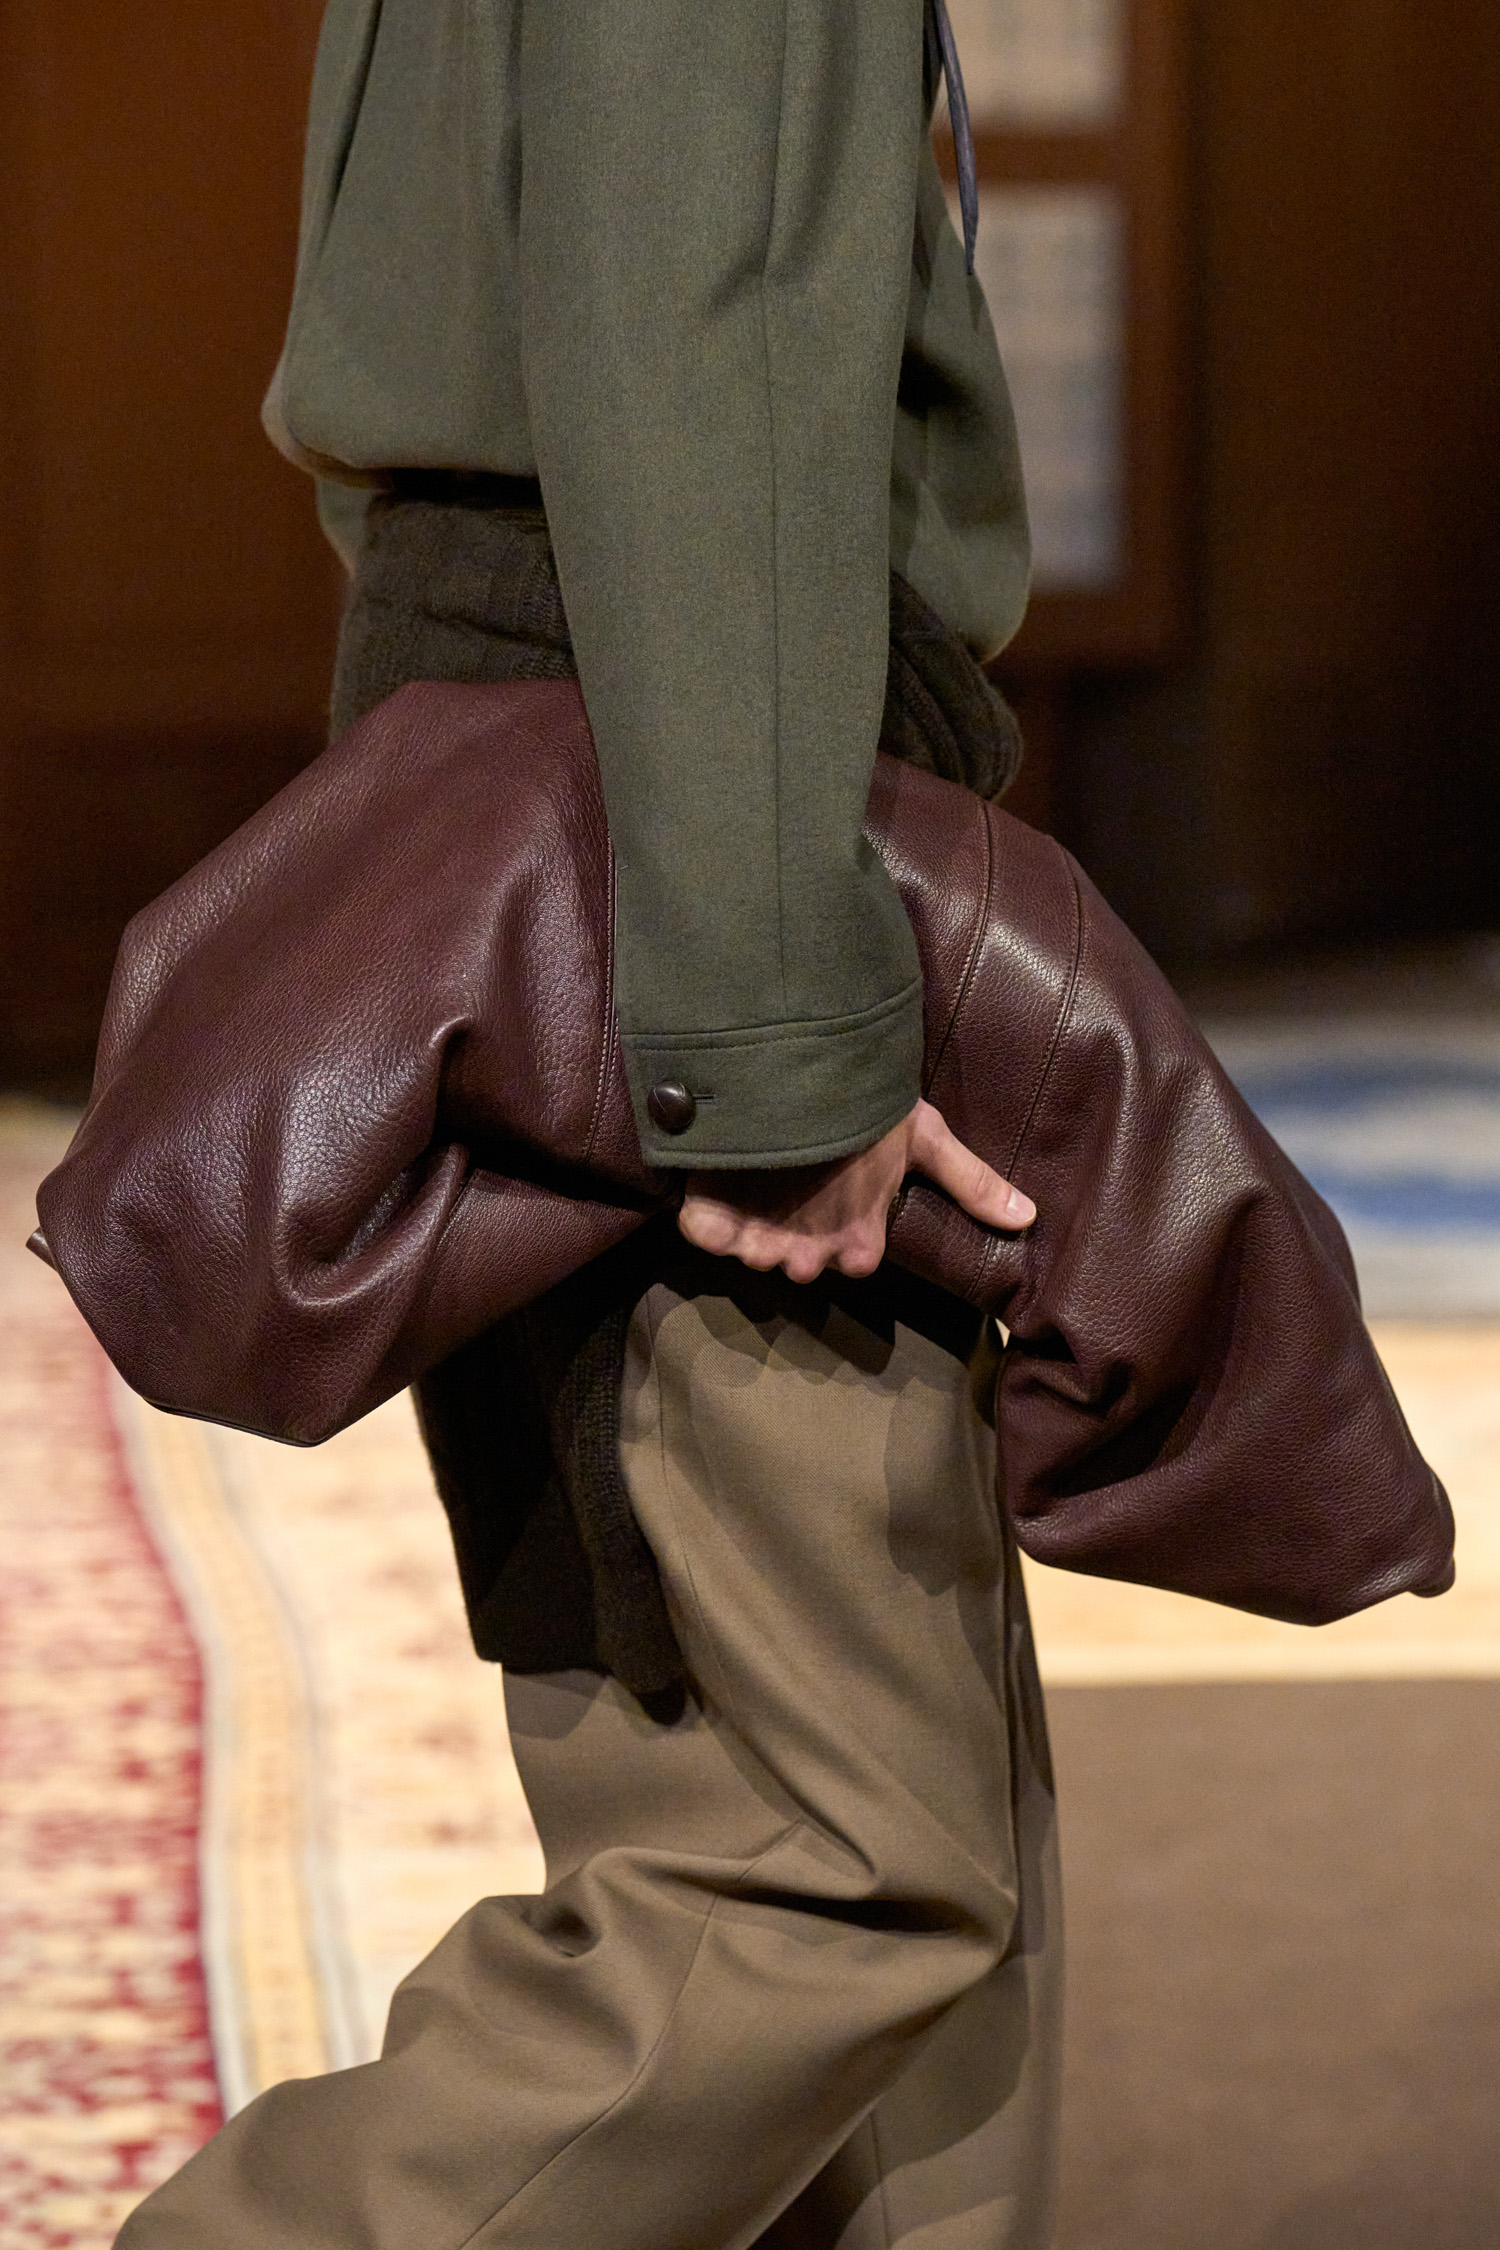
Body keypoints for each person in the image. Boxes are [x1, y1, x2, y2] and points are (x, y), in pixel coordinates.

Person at [116, 2, 1062, 2244]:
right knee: (823, 1870)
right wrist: (769, 1019)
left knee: (912, 1950)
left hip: (609, 729)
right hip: (670, 775)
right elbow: (697, 310)